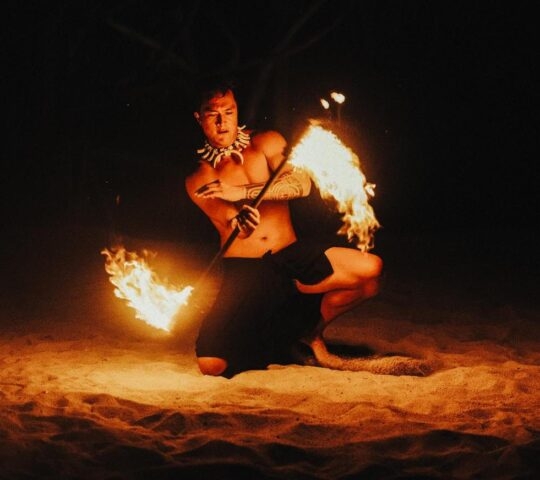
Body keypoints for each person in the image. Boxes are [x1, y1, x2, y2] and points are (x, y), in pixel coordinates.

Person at [185, 80, 383, 377]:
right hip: (247, 270)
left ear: (237, 111)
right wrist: (241, 221)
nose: (222, 121)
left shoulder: (266, 142)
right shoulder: (200, 176)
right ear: (199, 118)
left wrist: (244, 193)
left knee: (369, 273)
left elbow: (301, 184)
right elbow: (229, 220)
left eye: (229, 111)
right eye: (212, 114)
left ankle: (309, 334)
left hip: (290, 255)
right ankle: (278, 338)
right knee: (212, 364)